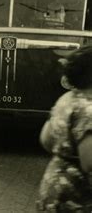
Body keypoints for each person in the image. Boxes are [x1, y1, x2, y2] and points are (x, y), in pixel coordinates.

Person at [37, 46, 92, 211]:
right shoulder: (88, 110)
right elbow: (90, 163)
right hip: (76, 197)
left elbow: (46, 140)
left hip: (53, 188)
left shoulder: (66, 99)